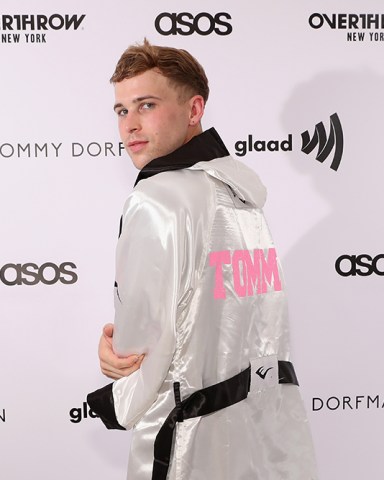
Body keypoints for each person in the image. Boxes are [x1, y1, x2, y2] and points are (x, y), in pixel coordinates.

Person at [87, 39, 317, 480]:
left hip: (186, 439)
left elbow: (143, 349)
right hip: (263, 432)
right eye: (121, 110)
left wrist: (115, 382)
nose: (130, 125)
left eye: (146, 105)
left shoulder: (158, 197)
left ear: (194, 110)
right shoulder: (243, 197)